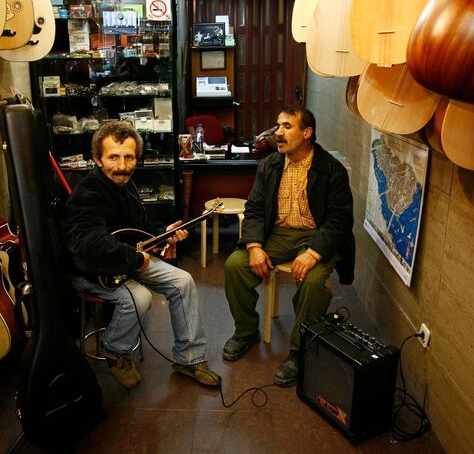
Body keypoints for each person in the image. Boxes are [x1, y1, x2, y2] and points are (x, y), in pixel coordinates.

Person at [62, 121, 222, 389]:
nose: (122, 166)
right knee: (140, 297)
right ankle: (116, 349)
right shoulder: (87, 195)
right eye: (113, 157)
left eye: (129, 157)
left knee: (183, 281)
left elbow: (139, 229)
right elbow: (90, 245)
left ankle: (189, 359)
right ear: (97, 159)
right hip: (91, 271)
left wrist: (164, 233)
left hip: (126, 262)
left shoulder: (127, 185)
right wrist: (136, 260)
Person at [223, 105, 355, 386]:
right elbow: (256, 208)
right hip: (278, 233)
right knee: (235, 265)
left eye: (286, 127)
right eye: (277, 126)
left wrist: (314, 253)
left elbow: (340, 220)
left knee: (314, 281)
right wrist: (255, 245)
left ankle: (298, 350)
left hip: (315, 235)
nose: (278, 133)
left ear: (307, 133)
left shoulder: (331, 170)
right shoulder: (269, 165)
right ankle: (246, 332)